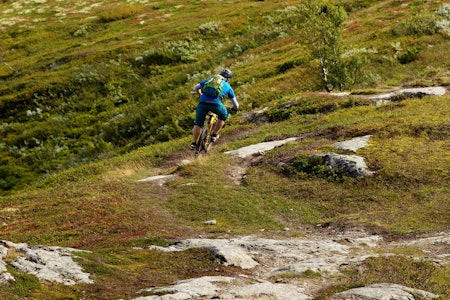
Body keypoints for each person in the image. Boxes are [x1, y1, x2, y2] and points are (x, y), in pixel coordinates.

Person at [191, 68, 239, 150]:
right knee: (224, 115)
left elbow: (196, 87)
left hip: (202, 102)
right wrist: (234, 109)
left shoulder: (210, 79)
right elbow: (236, 104)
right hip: (216, 103)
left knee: (198, 123)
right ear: (229, 78)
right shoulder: (228, 86)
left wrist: (200, 94)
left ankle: (194, 144)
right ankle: (214, 135)